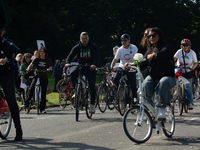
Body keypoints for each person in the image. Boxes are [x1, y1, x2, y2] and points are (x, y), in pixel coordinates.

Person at [0, 0, 23, 141]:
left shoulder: (7, 42)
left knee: (10, 99)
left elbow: (12, 56)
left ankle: (18, 130)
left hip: (6, 72)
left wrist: (4, 60)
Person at [142, 27, 176, 120]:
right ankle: (151, 111)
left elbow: (164, 52)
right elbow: (144, 62)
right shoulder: (149, 48)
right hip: (153, 77)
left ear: (159, 36)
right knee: (143, 88)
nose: (151, 37)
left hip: (168, 76)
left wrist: (154, 55)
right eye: (149, 36)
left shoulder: (166, 46)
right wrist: (132, 64)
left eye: (153, 35)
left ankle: (161, 108)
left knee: (163, 82)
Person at [65, 32, 100, 113]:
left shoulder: (93, 46)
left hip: (90, 67)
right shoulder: (77, 47)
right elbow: (70, 55)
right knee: (73, 73)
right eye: (83, 39)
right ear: (80, 39)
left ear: (88, 38)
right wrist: (67, 62)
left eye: (86, 38)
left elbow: (97, 56)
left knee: (91, 86)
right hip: (81, 65)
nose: (85, 40)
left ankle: (92, 105)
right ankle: (75, 90)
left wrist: (95, 64)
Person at [21, 47, 52, 114]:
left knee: (43, 92)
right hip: (37, 76)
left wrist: (49, 69)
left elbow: (50, 67)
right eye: (40, 51)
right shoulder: (36, 59)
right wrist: (28, 69)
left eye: (43, 51)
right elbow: (31, 65)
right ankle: (26, 104)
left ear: (45, 53)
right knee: (31, 88)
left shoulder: (48, 60)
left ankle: (42, 108)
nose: (42, 53)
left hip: (44, 77)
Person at [110, 34, 138, 103]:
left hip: (131, 67)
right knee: (115, 78)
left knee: (133, 86)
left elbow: (136, 59)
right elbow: (115, 59)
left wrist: (131, 64)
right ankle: (118, 92)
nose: (123, 42)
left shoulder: (133, 48)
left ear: (129, 41)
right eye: (122, 41)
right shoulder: (120, 49)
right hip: (122, 66)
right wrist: (111, 67)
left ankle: (134, 100)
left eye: (125, 40)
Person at [174, 39, 198, 110]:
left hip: (188, 71)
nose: (185, 47)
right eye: (183, 45)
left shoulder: (192, 53)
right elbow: (174, 58)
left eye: (186, 45)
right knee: (175, 73)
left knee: (188, 87)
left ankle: (189, 103)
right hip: (179, 69)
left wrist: (193, 67)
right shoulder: (179, 51)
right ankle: (176, 90)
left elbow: (196, 63)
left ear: (189, 46)